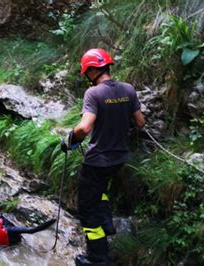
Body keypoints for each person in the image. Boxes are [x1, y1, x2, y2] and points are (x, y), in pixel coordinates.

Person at [61, 48, 145, 265]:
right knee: (101, 193)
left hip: (97, 161)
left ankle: (98, 259)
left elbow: (85, 127)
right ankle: (107, 225)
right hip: (119, 159)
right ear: (107, 66)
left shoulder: (94, 93)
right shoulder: (128, 89)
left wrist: (70, 139)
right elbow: (140, 122)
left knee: (88, 211)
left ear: (90, 71)